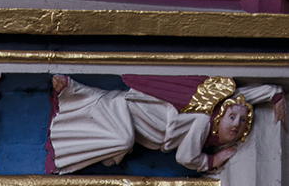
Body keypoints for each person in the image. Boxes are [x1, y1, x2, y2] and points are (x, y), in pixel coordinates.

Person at [48, 73, 275, 174]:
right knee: (121, 140)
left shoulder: (211, 110)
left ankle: (75, 91)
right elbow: (185, 157)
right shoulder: (203, 122)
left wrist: (273, 94)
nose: (237, 124)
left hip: (140, 116)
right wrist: (211, 160)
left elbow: (240, 97)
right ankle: (75, 95)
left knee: (116, 127)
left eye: (243, 122)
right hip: (136, 115)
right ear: (219, 116)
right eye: (232, 118)